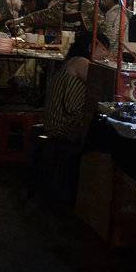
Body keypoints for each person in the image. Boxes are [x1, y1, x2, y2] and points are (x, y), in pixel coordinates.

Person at [38, 28, 111, 208]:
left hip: (55, 120)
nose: (107, 53)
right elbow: (104, 88)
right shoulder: (81, 63)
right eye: (104, 49)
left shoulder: (73, 60)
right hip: (63, 125)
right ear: (91, 46)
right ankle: (88, 194)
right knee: (106, 136)